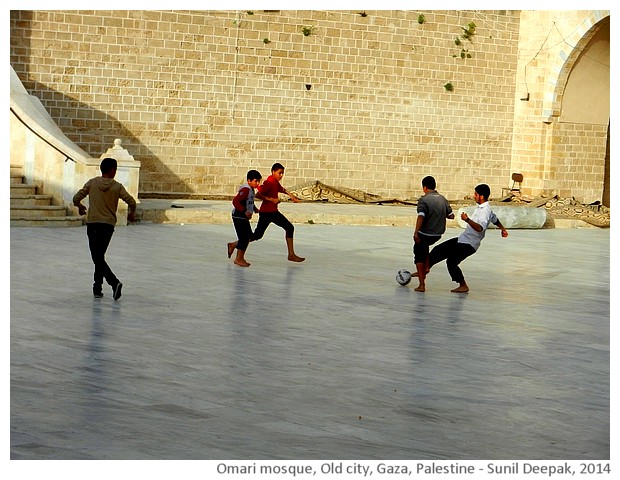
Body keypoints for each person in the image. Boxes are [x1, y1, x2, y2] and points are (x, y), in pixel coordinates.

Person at [73, 157, 137, 300]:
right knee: (99, 256)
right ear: (113, 170)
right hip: (107, 226)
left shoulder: (92, 183)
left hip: (93, 224)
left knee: (97, 257)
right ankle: (98, 288)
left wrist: (80, 206)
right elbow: (131, 201)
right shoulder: (117, 186)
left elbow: (76, 197)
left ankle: (113, 283)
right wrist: (132, 213)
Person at [426, 183, 508, 293]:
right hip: (463, 239)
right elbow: (495, 219)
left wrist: (467, 220)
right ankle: (425, 269)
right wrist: (503, 229)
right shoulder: (483, 208)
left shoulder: (485, 211)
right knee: (439, 249)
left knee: (452, 262)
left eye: (476, 194)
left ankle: (463, 285)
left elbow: (480, 228)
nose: (474, 196)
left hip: (469, 244)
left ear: (481, 196)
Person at [252, 162, 305, 262]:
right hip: (268, 212)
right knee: (289, 227)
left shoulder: (274, 182)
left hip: (271, 212)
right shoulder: (270, 182)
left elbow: (282, 189)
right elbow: (258, 195)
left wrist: (292, 196)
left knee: (258, 235)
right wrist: (272, 199)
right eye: (279, 173)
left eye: (282, 173)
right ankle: (291, 255)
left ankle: (291, 254)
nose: (281, 175)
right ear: (273, 172)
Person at [412, 175, 454, 292]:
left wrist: (416, 232)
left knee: (418, 253)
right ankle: (426, 267)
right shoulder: (443, 199)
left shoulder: (424, 200)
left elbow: (421, 216)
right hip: (438, 234)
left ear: (424, 188)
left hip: (425, 233)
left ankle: (421, 284)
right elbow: (451, 215)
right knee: (425, 247)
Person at [227, 170, 262, 267]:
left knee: (249, 237)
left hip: (243, 217)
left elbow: (249, 201)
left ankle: (233, 245)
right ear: (249, 180)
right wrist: (244, 211)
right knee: (244, 238)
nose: (257, 183)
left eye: (259, 181)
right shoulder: (245, 190)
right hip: (239, 216)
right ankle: (239, 259)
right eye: (256, 181)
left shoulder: (251, 189)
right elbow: (236, 201)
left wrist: (254, 209)